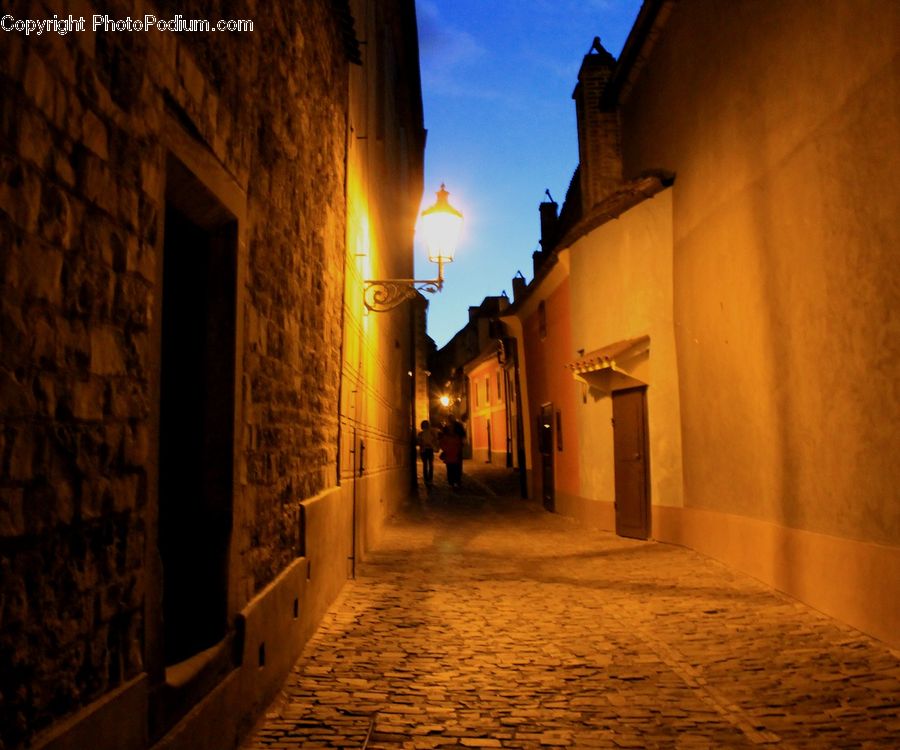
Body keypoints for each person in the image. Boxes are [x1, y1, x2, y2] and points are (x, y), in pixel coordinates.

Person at [440, 416, 465, 489]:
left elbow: (442, 443)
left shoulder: (451, 430)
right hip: (452, 453)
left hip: (454, 452)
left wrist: (445, 449)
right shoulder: (457, 428)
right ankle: (455, 481)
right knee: (453, 467)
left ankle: (454, 481)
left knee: (453, 467)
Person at [416, 420, 440, 488]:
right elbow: (419, 441)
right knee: (428, 465)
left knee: (427, 465)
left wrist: (431, 444)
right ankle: (428, 479)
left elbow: (435, 440)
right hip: (426, 450)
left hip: (427, 450)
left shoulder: (426, 433)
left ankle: (428, 479)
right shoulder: (422, 434)